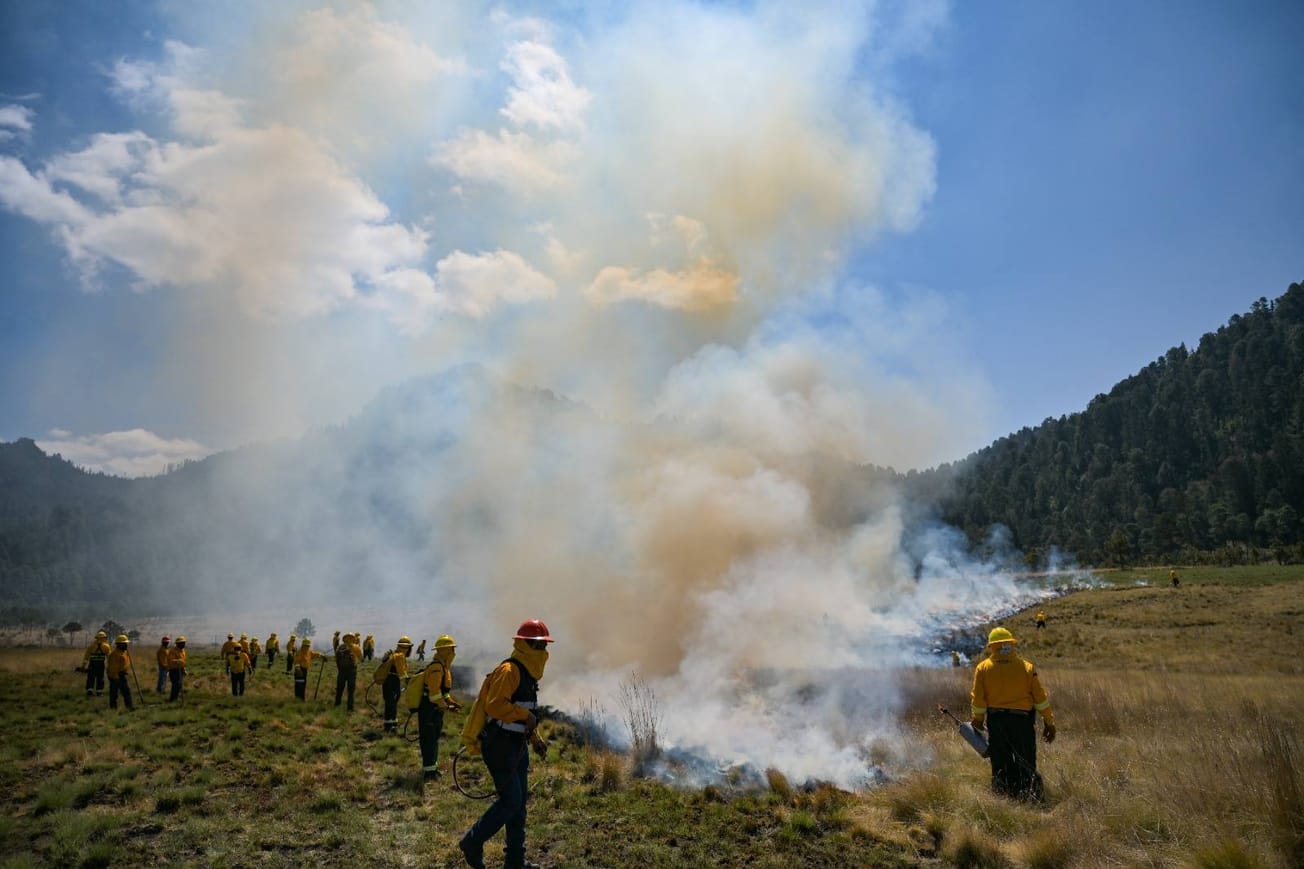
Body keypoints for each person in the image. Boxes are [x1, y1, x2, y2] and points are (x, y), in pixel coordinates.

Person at [458, 619, 553, 869]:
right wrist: (526, 718)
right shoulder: (510, 671)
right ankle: (472, 841)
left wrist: (535, 739)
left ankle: (515, 862)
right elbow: (495, 706)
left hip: (517, 747)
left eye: (544, 646)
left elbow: (524, 714)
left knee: (519, 804)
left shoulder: (528, 675)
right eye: (539, 646)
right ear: (526, 645)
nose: (543, 652)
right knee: (511, 801)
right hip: (500, 748)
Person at [970, 627, 1056, 801]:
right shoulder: (1026, 667)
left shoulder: (983, 668)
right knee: (1026, 762)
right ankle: (1032, 800)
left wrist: (978, 720)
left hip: (996, 723)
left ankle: (1003, 799)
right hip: (1022, 723)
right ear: (1011, 644)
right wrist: (1049, 722)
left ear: (991, 647)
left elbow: (978, 699)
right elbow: (1040, 699)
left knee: (1000, 763)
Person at [418, 635, 461, 779]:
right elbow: (434, 693)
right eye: (452, 649)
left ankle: (432, 768)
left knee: (434, 738)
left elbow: (443, 692)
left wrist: (450, 702)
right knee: (429, 739)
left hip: (435, 709)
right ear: (445, 651)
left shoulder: (443, 667)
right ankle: (429, 772)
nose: (454, 652)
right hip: (429, 709)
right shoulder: (437, 668)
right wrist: (444, 706)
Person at [376, 636, 413, 733]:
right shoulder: (400, 656)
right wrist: (408, 681)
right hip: (392, 682)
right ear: (407, 648)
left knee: (391, 703)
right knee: (391, 704)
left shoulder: (395, 654)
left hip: (389, 681)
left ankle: (391, 725)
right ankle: (390, 727)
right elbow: (401, 671)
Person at [106, 634, 135, 711]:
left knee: (126, 692)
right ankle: (113, 709)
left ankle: (130, 707)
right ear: (119, 644)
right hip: (115, 675)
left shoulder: (124, 652)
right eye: (124, 643)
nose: (126, 645)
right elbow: (113, 668)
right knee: (114, 693)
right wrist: (115, 678)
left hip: (121, 674)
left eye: (126, 643)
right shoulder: (114, 654)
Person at [334, 632, 362, 711]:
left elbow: (336, 658)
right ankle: (350, 707)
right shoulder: (356, 647)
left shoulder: (340, 647)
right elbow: (361, 658)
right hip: (352, 670)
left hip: (342, 670)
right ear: (353, 638)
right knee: (351, 690)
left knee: (340, 688)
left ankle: (337, 704)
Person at [82, 630, 112, 696]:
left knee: (91, 678)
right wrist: (110, 666)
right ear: (104, 638)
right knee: (100, 678)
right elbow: (109, 658)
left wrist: (83, 666)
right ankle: (99, 692)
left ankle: (89, 691)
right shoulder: (106, 646)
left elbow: (86, 657)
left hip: (92, 664)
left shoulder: (91, 646)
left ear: (96, 638)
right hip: (100, 665)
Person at [166, 635, 188, 702]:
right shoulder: (173, 651)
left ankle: (176, 697)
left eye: (184, 643)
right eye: (182, 643)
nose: (183, 644)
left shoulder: (183, 651)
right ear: (178, 644)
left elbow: (183, 661)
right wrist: (177, 661)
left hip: (180, 669)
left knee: (179, 684)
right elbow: (170, 660)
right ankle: (172, 699)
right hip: (174, 670)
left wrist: (184, 669)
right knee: (176, 684)